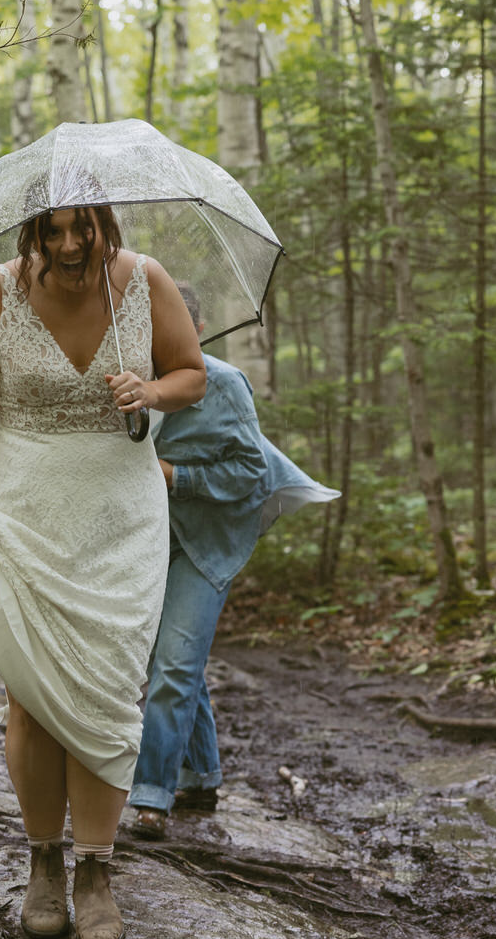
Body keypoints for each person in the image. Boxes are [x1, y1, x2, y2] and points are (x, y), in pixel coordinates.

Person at [0, 205, 206, 939]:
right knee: (32, 696)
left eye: (85, 229)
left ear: (107, 222)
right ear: (30, 233)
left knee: (108, 688)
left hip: (120, 517)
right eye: (52, 231)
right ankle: (43, 859)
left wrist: (152, 392)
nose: (71, 245)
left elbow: (191, 375)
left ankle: (96, 873)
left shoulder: (147, 282)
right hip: (21, 507)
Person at [128, 284, 339, 841]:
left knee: (172, 665)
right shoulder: (130, 386)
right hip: (150, 542)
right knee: (174, 662)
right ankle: (202, 775)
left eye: (171, 330)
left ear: (194, 332)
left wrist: (177, 476)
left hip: (211, 541)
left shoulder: (223, 384)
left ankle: (152, 797)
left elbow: (251, 473)